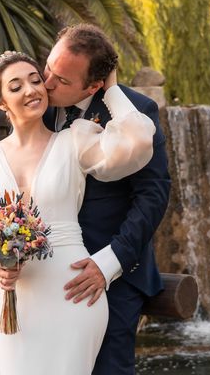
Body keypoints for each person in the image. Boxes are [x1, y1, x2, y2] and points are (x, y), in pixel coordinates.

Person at [0, 50, 155, 374]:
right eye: (16, 86)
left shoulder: (76, 140)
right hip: (11, 301)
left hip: (74, 295)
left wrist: (110, 85)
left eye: (34, 80)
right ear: (1, 103)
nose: (31, 90)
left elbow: (136, 142)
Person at [42, 24, 171, 375]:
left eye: (62, 80)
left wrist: (108, 263)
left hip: (111, 277)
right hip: (46, 275)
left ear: (95, 85)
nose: (48, 82)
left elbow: (153, 196)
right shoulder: (37, 105)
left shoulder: (137, 111)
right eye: (48, 67)